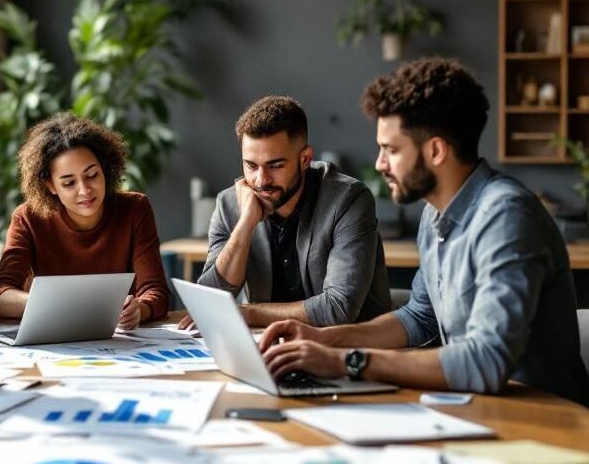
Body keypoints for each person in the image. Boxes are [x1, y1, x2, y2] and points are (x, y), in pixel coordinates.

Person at [259, 58, 589, 406]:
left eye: (391, 149)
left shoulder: (506, 216)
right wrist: (323, 339)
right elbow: (419, 318)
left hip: (546, 424)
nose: (379, 164)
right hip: (478, 413)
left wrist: (347, 361)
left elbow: (487, 361)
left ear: (435, 150)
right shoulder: (435, 216)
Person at [181, 95, 390, 330]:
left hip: (350, 351)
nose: (261, 180)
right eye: (251, 165)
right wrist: (245, 224)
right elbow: (211, 301)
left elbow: (338, 308)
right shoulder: (229, 203)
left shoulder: (348, 199)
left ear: (305, 159)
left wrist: (248, 314)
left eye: (275, 165)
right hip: (271, 348)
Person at [0, 113, 169, 328]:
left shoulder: (134, 209)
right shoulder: (28, 217)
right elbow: (0, 294)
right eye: (68, 183)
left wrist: (138, 309)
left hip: (118, 340)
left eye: (92, 175)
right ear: (51, 186)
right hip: (55, 336)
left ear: (105, 169)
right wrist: (45, 304)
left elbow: (156, 292)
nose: (84, 191)